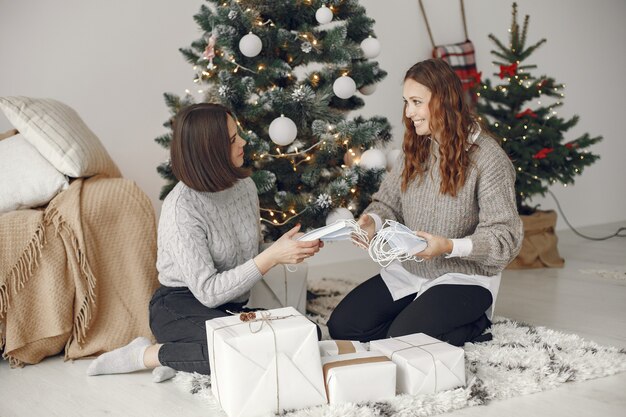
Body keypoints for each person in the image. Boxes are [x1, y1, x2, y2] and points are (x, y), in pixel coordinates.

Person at [87, 103, 322, 380]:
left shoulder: (245, 187)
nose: (243, 142)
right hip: (179, 304)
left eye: (238, 134)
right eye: (233, 139)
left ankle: (186, 354)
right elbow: (208, 291)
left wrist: (288, 247)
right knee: (240, 350)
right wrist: (271, 258)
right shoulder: (182, 208)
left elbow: (252, 252)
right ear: (210, 151)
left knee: (309, 333)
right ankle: (148, 354)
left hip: (229, 307)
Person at [327, 59, 523, 346]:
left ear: (444, 102)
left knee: (403, 339)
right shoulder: (416, 148)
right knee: (343, 326)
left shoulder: (489, 160)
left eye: (417, 102)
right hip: (411, 272)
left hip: (463, 277)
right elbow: (387, 203)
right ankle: (417, 319)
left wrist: (448, 246)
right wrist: (373, 221)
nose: (409, 113)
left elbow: (504, 239)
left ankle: (476, 324)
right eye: (407, 102)